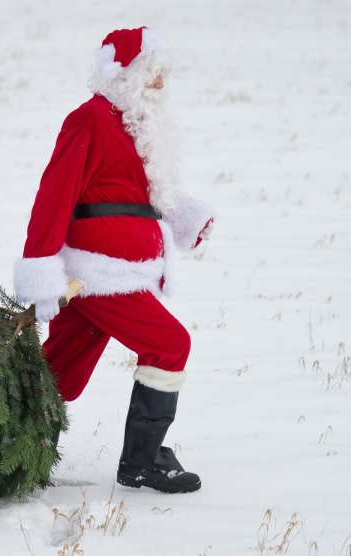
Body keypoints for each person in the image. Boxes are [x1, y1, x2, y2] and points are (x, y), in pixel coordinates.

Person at [13, 27, 216, 494]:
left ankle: (7, 441)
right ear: (123, 74)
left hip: (119, 270)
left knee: (61, 374)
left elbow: (140, 193)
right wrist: (41, 273)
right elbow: (53, 197)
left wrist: (187, 219)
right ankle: (142, 463)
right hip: (99, 270)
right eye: (153, 73)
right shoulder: (88, 120)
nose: (161, 85)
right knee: (170, 343)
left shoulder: (132, 125)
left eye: (163, 75)